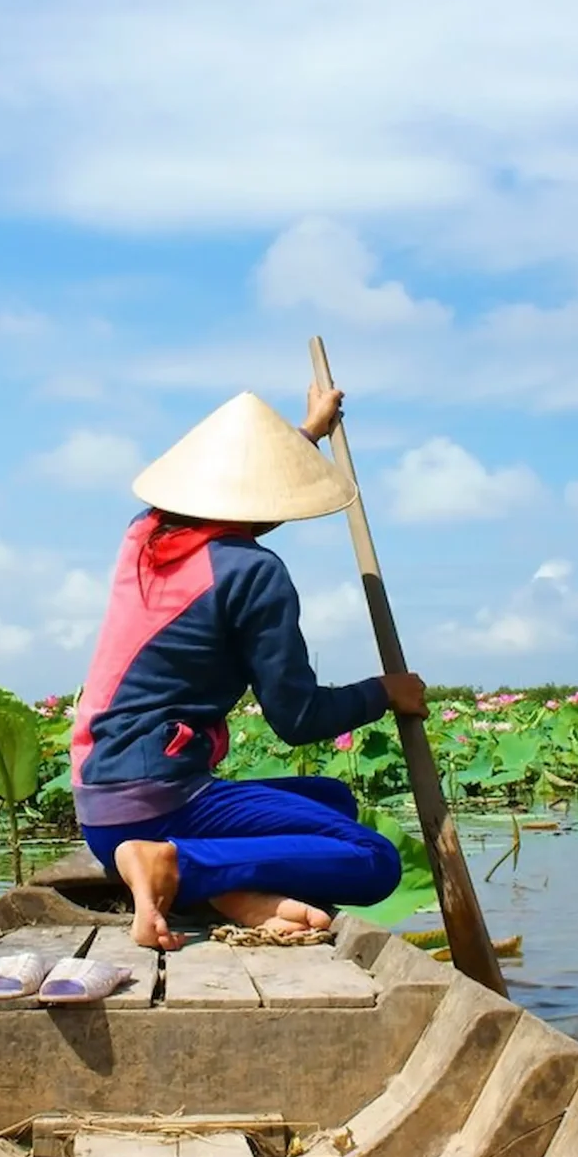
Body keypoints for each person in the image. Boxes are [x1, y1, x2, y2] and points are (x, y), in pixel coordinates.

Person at [69, 384, 426, 950]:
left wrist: (307, 432)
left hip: (99, 809)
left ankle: (220, 886)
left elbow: (241, 491)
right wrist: (385, 692)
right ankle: (178, 866)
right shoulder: (253, 573)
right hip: (158, 805)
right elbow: (298, 716)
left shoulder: (144, 534)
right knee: (373, 857)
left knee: (331, 800)